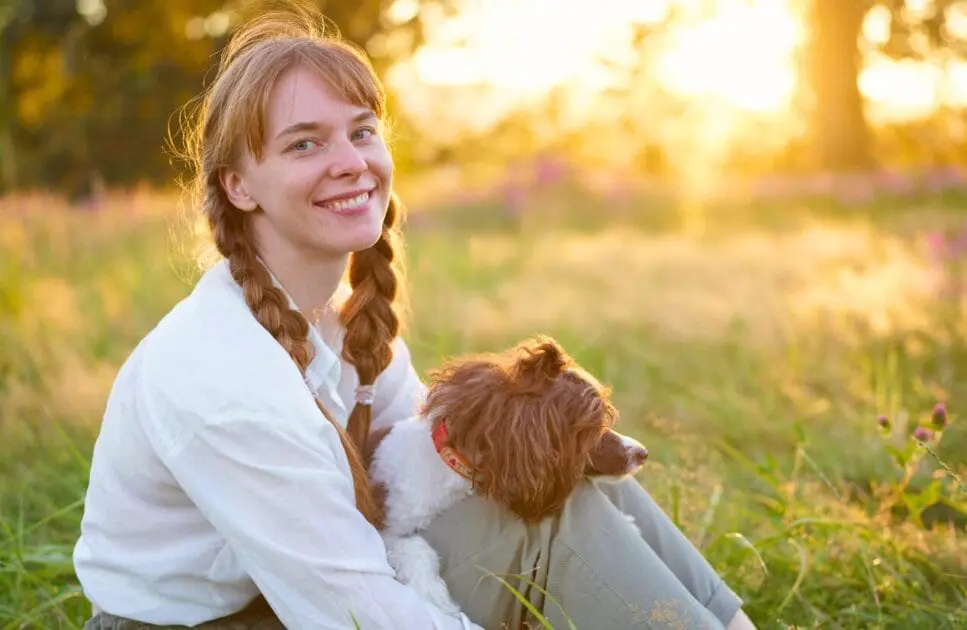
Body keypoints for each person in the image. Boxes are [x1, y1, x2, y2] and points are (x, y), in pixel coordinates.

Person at [73, 4, 757, 630]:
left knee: (561, 478)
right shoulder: (222, 379)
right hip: (215, 622)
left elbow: (427, 467)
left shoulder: (343, 325)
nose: (351, 163)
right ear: (238, 185)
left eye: (361, 132)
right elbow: (351, 612)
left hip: (295, 596)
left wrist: (540, 436)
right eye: (304, 144)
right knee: (549, 526)